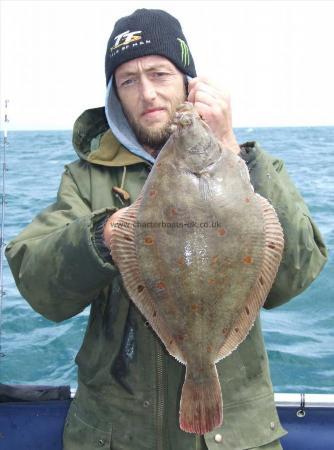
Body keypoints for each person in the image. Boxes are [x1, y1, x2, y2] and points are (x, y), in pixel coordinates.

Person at [5, 9, 327, 450]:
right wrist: (104, 234)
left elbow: (294, 274)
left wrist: (233, 150)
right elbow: (39, 286)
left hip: (231, 436)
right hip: (116, 433)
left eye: (159, 73)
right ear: (114, 94)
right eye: (128, 80)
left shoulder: (246, 164)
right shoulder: (87, 179)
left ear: (189, 83)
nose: (148, 93)